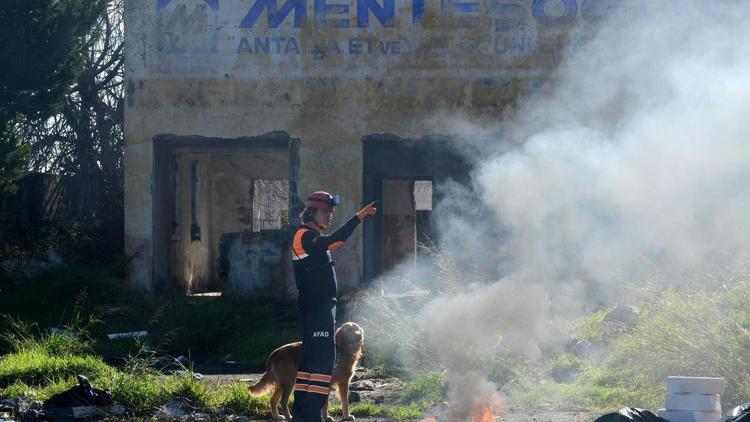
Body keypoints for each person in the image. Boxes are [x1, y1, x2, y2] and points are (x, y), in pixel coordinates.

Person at [290, 191, 377, 422]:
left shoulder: (310, 236)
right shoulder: (305, 236)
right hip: (317, 309)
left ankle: (303, 415)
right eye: (325, 212)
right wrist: (358, 217)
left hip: (320, 309)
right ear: (311, 212)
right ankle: (310, 416)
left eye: (331, 212)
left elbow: (329, 242)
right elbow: (334, 241)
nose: (329, 216)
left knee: (312, 362)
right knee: (320, 364)